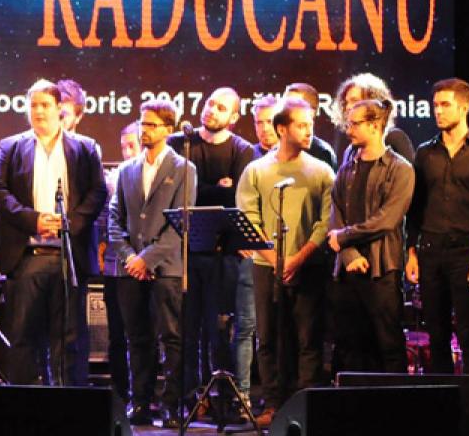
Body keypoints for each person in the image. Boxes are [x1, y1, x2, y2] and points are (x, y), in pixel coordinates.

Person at [0, 79, 108, 387]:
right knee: (22, 338)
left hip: (69, 257)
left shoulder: (85, 147)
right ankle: (25, 405)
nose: (38, 111)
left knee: (69, 339)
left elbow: (98, 192)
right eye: (33, 105)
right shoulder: (10, 146)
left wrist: (70, 223)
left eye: (45, 105)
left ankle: (67, 404)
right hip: (27, 256)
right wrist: (34, 221)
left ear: (60, 109)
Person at [237, 98, 334, 427]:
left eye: (311, 125)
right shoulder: (256, 171)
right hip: (267, 268)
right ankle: (273, 404)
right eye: (301, 125)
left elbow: (326, 221)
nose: (309, 131)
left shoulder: (321, 171)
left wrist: (298, 258)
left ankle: (305, 404)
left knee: (308, 338)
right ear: (282, 129)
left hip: (308, 267)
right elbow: (249, 220)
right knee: (268, 337)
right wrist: (276, 261)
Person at [165, 87, 256, 408]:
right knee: (187, 330)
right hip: (186, 252)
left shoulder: (242, 150)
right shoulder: (179, 143)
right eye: (209, 103)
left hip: (224, 254)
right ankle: (190, 398)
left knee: (220, 330)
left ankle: (224, 400)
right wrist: (215, 188)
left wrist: (208, 191)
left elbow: (237, 197)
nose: (211, 110)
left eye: (220, 107)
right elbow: (183, 194)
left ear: (233, 117)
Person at [108, 100, 195, 428]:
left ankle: (171, 405)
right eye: (142, 124)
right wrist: (131, 257)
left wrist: (148, 259)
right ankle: (140, 402)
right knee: (137, 337)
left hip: (166, 268)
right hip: (130, 269)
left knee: (170, 338)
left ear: (168, 129)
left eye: (151, 125)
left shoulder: (184, 168)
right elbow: (114, 219)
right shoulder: (127, 169)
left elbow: (180, 224)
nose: (144, 130)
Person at [405, 78, 469, 374]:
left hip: (466, 252)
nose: (438, 111)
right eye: (435, 105)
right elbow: (415, 207)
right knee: (436, 332)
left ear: (464, 107)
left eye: (445, 105)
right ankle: (442, 394)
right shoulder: (425, 153)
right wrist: (411, 252)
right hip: (431, 251)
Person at [327, 99, 413, 373]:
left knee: (388, 344)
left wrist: (344, 238)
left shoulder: (399, 169)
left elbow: (386, 220)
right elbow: (335, 213)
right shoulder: (347, 168)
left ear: (375, 125)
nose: (348, 129)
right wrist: (349, 253)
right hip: (347, 270)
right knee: (350, 346)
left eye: (355, 124)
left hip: (382, 268)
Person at [101, 121, 143, 405]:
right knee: (116, 334)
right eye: (124, 147)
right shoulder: (114, 178)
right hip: (114, 267)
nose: (127, 152)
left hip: (141, 266)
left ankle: (142, 394)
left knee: (139, 334)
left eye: (132, 146)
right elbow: (107, 219)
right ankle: (119, 391)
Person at [330, 73, 415, 163]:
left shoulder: (394, 139)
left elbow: (408, 170)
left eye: (354, 101)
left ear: (373, 102)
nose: (348, 107)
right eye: (346, 102)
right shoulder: (350, 151)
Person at [282, 83, 339, 170]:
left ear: (311, 112)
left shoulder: (322, 153)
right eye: (284, 105)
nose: (284, 111)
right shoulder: (275, 150)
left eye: (292, 105)